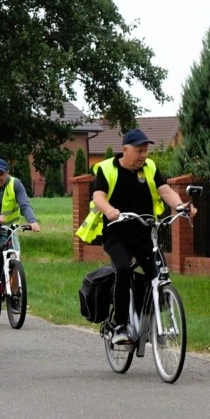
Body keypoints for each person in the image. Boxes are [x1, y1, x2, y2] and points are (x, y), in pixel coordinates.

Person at [81, 129, 195, 344]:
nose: (144, 155)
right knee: (123, 269)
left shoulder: (150, 167)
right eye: (139, 150)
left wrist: (180, 206)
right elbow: (98, 195)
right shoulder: (107, 168)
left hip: (144, 233)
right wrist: (109, 211)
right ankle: (120, 325)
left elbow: (165, 191)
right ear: (125, 150)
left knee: (159, 274)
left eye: (146, 150)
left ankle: (153, 325)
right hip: (116, 233)